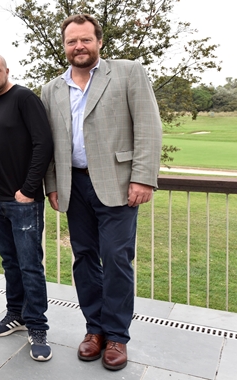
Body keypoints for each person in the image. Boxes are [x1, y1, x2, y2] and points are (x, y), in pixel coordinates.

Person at [41, 14, 162, 371]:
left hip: (119, 184)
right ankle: (93, 329)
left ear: (99, 42)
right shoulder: (51, 89)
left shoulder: (127, 72)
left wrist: (143, 177)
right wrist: (52, 186)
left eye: (85, 40)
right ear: (64, 46)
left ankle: (116, 337)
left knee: (117, 259)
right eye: (71, 41)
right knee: (84, 259)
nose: (78, 46)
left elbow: (148, 126)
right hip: (73, 185)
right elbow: (48, 143)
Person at [0, 54, 54, 361]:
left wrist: (29, 189)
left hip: (23, 201)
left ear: (7, 71)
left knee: (30, 266)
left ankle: (37, 327)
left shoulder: (24, 98)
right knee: (10, 263)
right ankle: (16, 315)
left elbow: (43, 144)